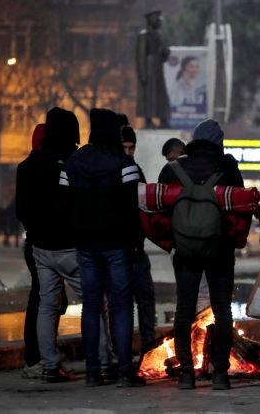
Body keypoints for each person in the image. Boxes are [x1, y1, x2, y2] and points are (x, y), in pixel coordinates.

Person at [158, 118, 244, 390]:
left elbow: (161, 211)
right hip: (219, 250)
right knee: (222, 310)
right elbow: (241, 206)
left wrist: (176, 240)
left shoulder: (174, 168)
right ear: (219, 142)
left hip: (185, 251)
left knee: (184, 309)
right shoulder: (227, 166)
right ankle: (220, 374)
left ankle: (185, 374)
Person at [64, 108, 145, 387]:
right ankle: (124, 371)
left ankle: (92, 372)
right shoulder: (125, 165)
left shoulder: (73, 163)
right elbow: (134, 208)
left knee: (91, 306)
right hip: (117, 245)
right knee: (121, 307)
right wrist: (135, 242)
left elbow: (65, 202)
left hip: (85, 245)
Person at [15, 118, 72, 381]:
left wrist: (35, 232)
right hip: (59, 243)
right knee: (49, 302)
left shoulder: (24, 168)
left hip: (37, 243)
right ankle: (41, 358)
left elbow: (21, 210)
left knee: (44, 300)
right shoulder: (59, 166)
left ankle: (42, 360)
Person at [121, 126, 157, 355]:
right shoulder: (124, 171)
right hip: (122, 250)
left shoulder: (135, 171)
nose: (128, 152)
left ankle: (148, 349)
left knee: (145, 301)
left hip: (135, 248)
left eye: (131, 147)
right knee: (125, 305)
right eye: (125, 147)